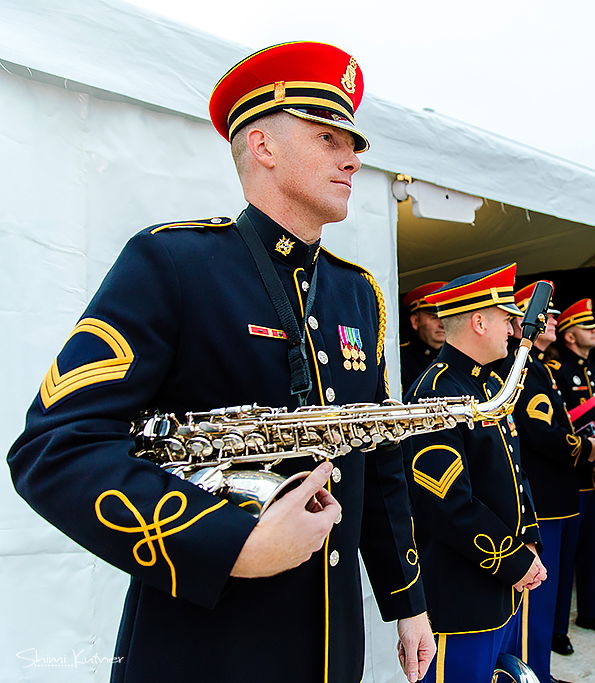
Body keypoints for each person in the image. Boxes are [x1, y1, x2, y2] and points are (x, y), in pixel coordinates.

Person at [6, 42, 433, 682]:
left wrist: (408, 602)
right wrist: (230, 544)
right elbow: (56, 447)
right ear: (262, 146)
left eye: (354, 143)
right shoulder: (172, 264)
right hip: (206, 647)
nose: (353, 157)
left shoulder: (358, 294)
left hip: (332, 646)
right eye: (329, 138)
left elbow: (379, 456)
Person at [402, 264, 547, 683]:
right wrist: (514, 559)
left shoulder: (486, 386)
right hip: (462, 594)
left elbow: (513, 475)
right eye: (506, 318)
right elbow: (446, 504)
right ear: (479, 321)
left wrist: (530, 539)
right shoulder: (436, 392)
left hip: (500, 584)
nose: (515, 327)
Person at [508, 282, 595, 683]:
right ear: (523, 322)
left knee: (553, 595)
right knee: (536, 601)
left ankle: (541, 672)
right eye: (547, 315)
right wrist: (588, 450)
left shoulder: (538, 367)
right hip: (544, 499)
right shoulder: (522, 368)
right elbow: (541, 434)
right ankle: (532, 674)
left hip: (563, 494)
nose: (553, 320)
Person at [547, 298, 595, 654]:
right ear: (570, 336)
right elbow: (561, 429)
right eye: (586, 326)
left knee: (594, 548)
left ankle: (594, 611)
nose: (594, 330)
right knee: (564, 555)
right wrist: (590, 462)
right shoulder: (555, 368)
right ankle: (557, 628)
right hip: (573, 474)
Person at [400, 281, 447, 391]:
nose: (442, 324)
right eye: (434, 317)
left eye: (445, 317)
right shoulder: (401, 358)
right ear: (415, 321)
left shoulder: (458, 355)